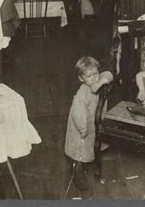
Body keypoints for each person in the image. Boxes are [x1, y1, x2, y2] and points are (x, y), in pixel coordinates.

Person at [64, 56, 113, 191]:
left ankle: (84, 164)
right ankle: (76, 172)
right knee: (79, 151)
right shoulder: (82, 93)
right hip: (81, 128)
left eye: (96, 73)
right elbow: (78, 113)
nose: (94, 78)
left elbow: (109, 74)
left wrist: (101, 81)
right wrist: (83, 128)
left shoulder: (98, 82)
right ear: (81, 78)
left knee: (89, 147)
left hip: (93, 123)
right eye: (89, 76)